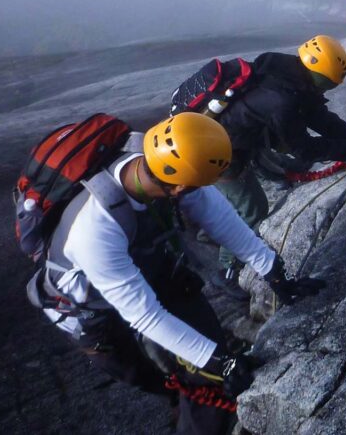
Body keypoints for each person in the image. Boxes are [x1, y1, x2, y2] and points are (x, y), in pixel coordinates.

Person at [31, 112, 325, 433]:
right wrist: (218, 362)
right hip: (90, 311)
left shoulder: (168, 161)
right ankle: (174, 396)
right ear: (180, 186)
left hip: (154, 271)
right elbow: (145, 317)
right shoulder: (94, 227)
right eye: (193, 188)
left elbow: (222, 219)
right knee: (147, 377)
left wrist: (274, 273)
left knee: (207, 374)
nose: (198, 192)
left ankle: (196, 410)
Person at [208, 36, 346, 296]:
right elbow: (303, 148)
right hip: (220, 151)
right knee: (253, 209)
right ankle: (227, 270)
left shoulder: (292, 75)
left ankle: (259, 173)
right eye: (327, 84)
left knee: (279, 171)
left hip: (247, 135)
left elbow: (321, 119)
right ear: (317, 75)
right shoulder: (282, 100)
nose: (327, 90)